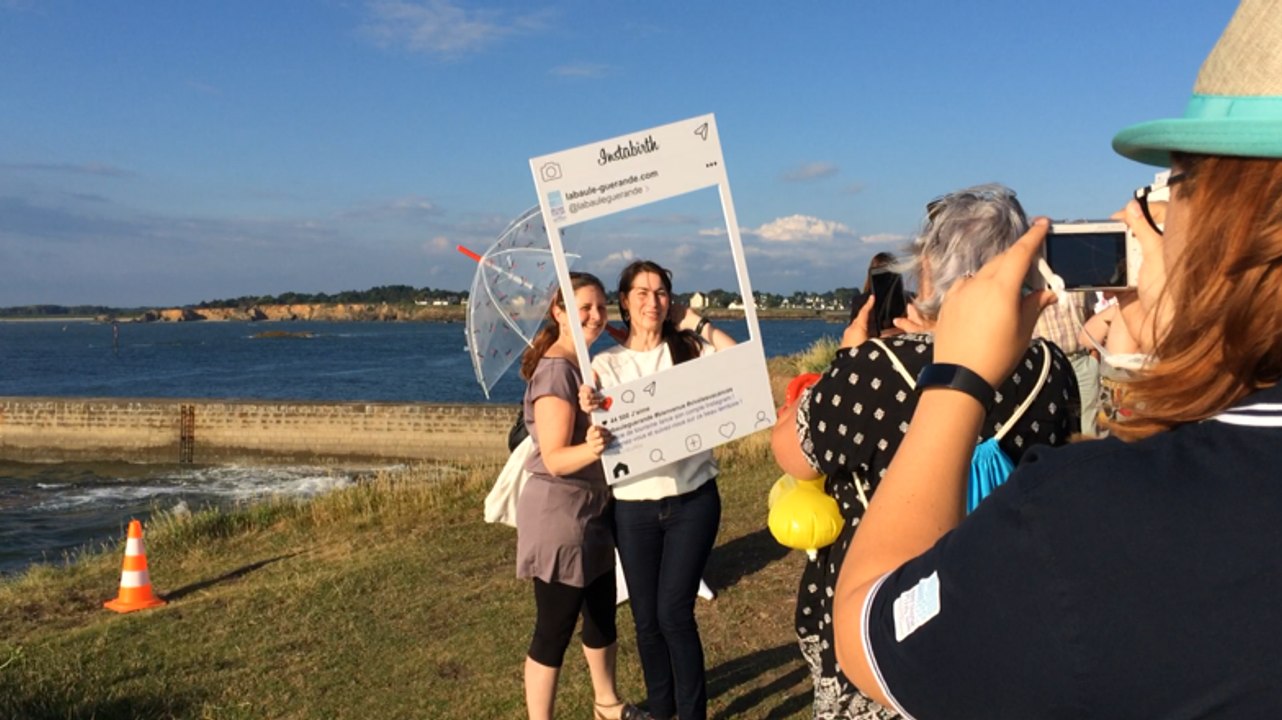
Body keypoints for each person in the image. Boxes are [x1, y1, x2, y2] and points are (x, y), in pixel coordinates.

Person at [830, 2, 1282, 716]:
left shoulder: (1089, 526)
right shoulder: (1059, 391)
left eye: (1177, 187)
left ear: (1229, 221)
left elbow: (866, 629)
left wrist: (955, 378)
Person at [770, 184, 1079, 719]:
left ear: (931, 266)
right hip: (997, 603)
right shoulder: (1052, 369)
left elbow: (796, 455)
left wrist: (848, 360)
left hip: (882, 616)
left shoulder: (873, 367)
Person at [588, 259, 736, 720]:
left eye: (660, 293)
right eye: (642, 293)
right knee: (646, 622)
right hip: (632, 507)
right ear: (625, 304)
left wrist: (695, 322)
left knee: (675, 614)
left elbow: (739, 365)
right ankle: (662, 709)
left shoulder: (689, 349)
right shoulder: (604, 365)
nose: (653, 302)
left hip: (693, 500)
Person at [515, 272, 645, 720]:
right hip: (560, 515)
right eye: (582, 307)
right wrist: (591, 446)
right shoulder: (555, 369)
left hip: (591, 510)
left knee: (601, 613)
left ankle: (606, 703)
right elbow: (554, 458)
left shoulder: (581, 364)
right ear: (559, 312)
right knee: (554, 627)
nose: (593, 315)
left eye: (600, 307)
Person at [1033, 291, 1098, 435]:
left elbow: (1091, 315)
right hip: (1047, 366)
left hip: (1082, 362)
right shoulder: (1031, 284)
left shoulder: (1078, 278)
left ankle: (1089, 455)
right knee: (1051, 423)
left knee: (1088, 423)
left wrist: (1094, 357)